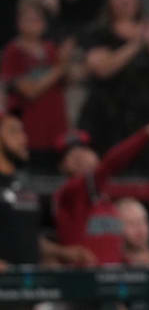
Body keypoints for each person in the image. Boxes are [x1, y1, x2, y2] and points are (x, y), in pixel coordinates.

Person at [79, 0, 149, 176]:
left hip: (147, 116)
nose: (125, 0)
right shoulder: (98, 33)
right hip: (109, 117)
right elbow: (103, 68)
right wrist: (137, 43)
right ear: (109, 1)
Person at [53, 112, 149, 264]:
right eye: (69, 154)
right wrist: (147, 133)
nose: (80, 156)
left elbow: (109, 252)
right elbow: (110, 165)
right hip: (83, 282)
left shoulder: (104, 200)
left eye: (84, 149)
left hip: (111, 282)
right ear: (61, 167)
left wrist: (141, 263)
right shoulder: (69, 193)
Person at [0, 113, 95, 268]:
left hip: (29, 285)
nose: (23, 138)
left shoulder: (25, 186)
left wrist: (62, 252)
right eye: (14, 131)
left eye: (23, 132)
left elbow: (30, 238)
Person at [1, 0, 74, 173]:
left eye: (38, 19)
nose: (35, 23)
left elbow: (68, 81)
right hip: (28, 133)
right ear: (19, 23)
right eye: (29, 19)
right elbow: (29, 91)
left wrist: (66, 62)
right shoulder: (13, 51)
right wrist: (60, 68)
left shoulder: (51, 49)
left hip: (56, 131)